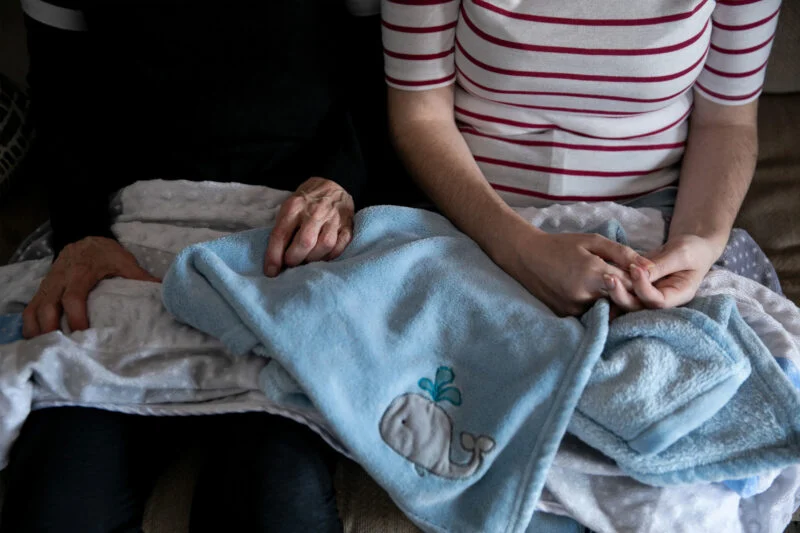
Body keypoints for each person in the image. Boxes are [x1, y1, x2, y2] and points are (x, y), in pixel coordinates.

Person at [3, 1, 384, 531]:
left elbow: (382, 77)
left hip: (284, 238)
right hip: (131, 232)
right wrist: (82, 232)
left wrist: (341, 182)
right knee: (58, 505)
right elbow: (59, 88)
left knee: (270, 502)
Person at [383, 0, 780, 317]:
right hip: (475, 219)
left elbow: (727, 123)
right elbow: (420, 116)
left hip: (653, 225)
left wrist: (698, 245)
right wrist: (516, 248)